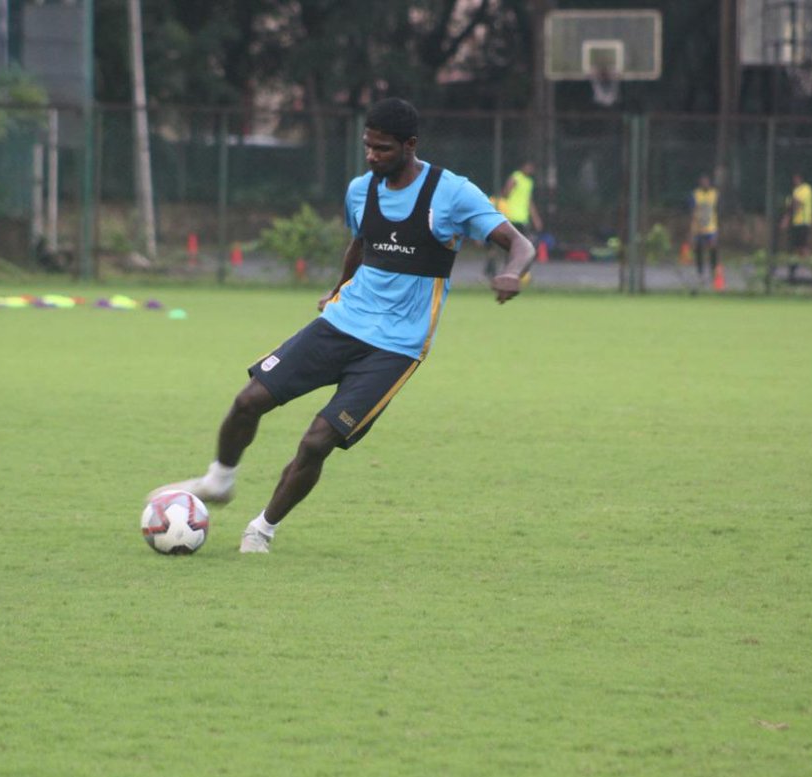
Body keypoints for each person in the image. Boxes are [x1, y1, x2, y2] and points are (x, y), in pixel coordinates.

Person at [146, 97, 535, 554]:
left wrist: (514, 272)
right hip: (340, 324)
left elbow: (519, 242)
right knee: (249, 399)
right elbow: (362, 244)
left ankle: (262, 529)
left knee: (317, 442)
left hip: (395, 348)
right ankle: (220, 479)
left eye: (384, 149)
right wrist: (337, 289)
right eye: (368, 146)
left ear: (410, 145)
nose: (372, 156)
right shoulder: (360, 190)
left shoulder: (451, 194)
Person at [485, 160, 542, 279]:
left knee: (519, 245)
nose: (530, 169)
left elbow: (529, 201)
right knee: (509, 244)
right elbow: (505, 193)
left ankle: (510, 270)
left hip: (522, 218)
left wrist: (535, 218)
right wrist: (500, 207)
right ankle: (498, 269)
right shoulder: (516, 177)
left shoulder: (529, 182)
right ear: (524, 166)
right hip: (510, 216)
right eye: (529, 166)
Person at [780, 172, 812, 283]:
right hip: (795, 223)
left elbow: (797, 204)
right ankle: (797, 269)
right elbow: (790, 205)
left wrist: (787, 218)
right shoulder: (795, 191)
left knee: (803, 246)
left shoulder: (806, 189)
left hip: (803, 222)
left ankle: (809, 267)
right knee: (796, 247)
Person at [689, 174, 719, 284]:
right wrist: (692, 230)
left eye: (707, 181)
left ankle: (713, 270)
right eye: (703, 182)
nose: (705, 184)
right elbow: (692, 212)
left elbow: (717, 209)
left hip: (711, 227)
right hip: (698, 227)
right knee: (699, 249)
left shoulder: (714, 194)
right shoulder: (696, 194)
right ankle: (700, 273)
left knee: (713, 247)